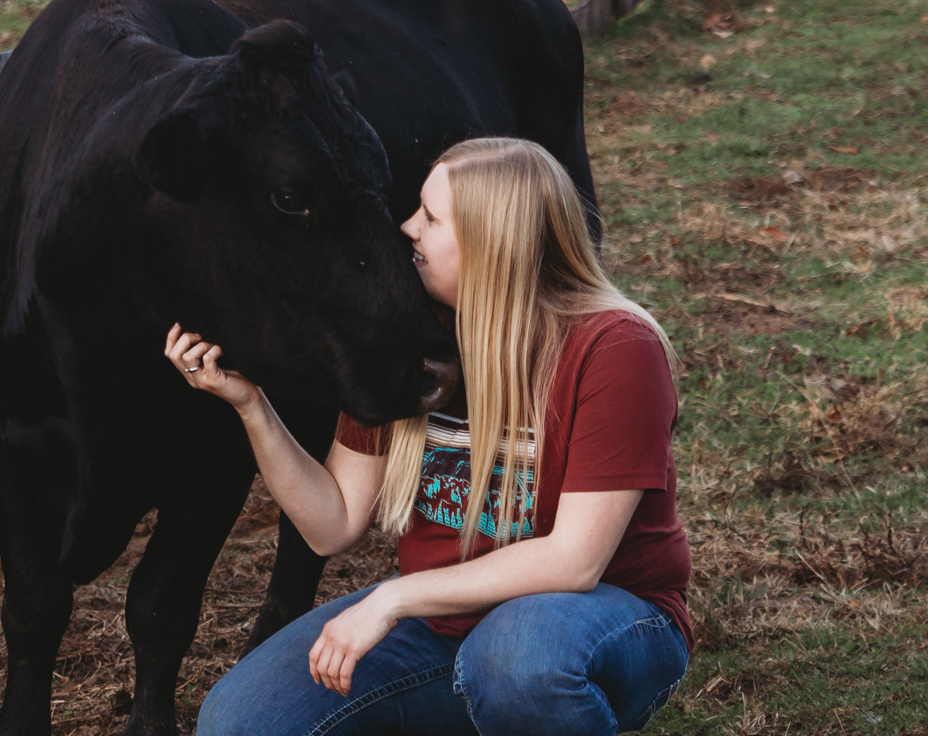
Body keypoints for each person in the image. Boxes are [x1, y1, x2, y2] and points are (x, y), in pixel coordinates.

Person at [164, 137, 692, 735]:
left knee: (516, 661)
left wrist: (392, 598)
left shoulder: (613, 347)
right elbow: (331, 523)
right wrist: (251, 406)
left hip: (602, 623)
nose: (406, 226)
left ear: (495, 243)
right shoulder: (406, 337)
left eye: (431, 217)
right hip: (446, 628)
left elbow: (573, 562)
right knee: (237, 722)